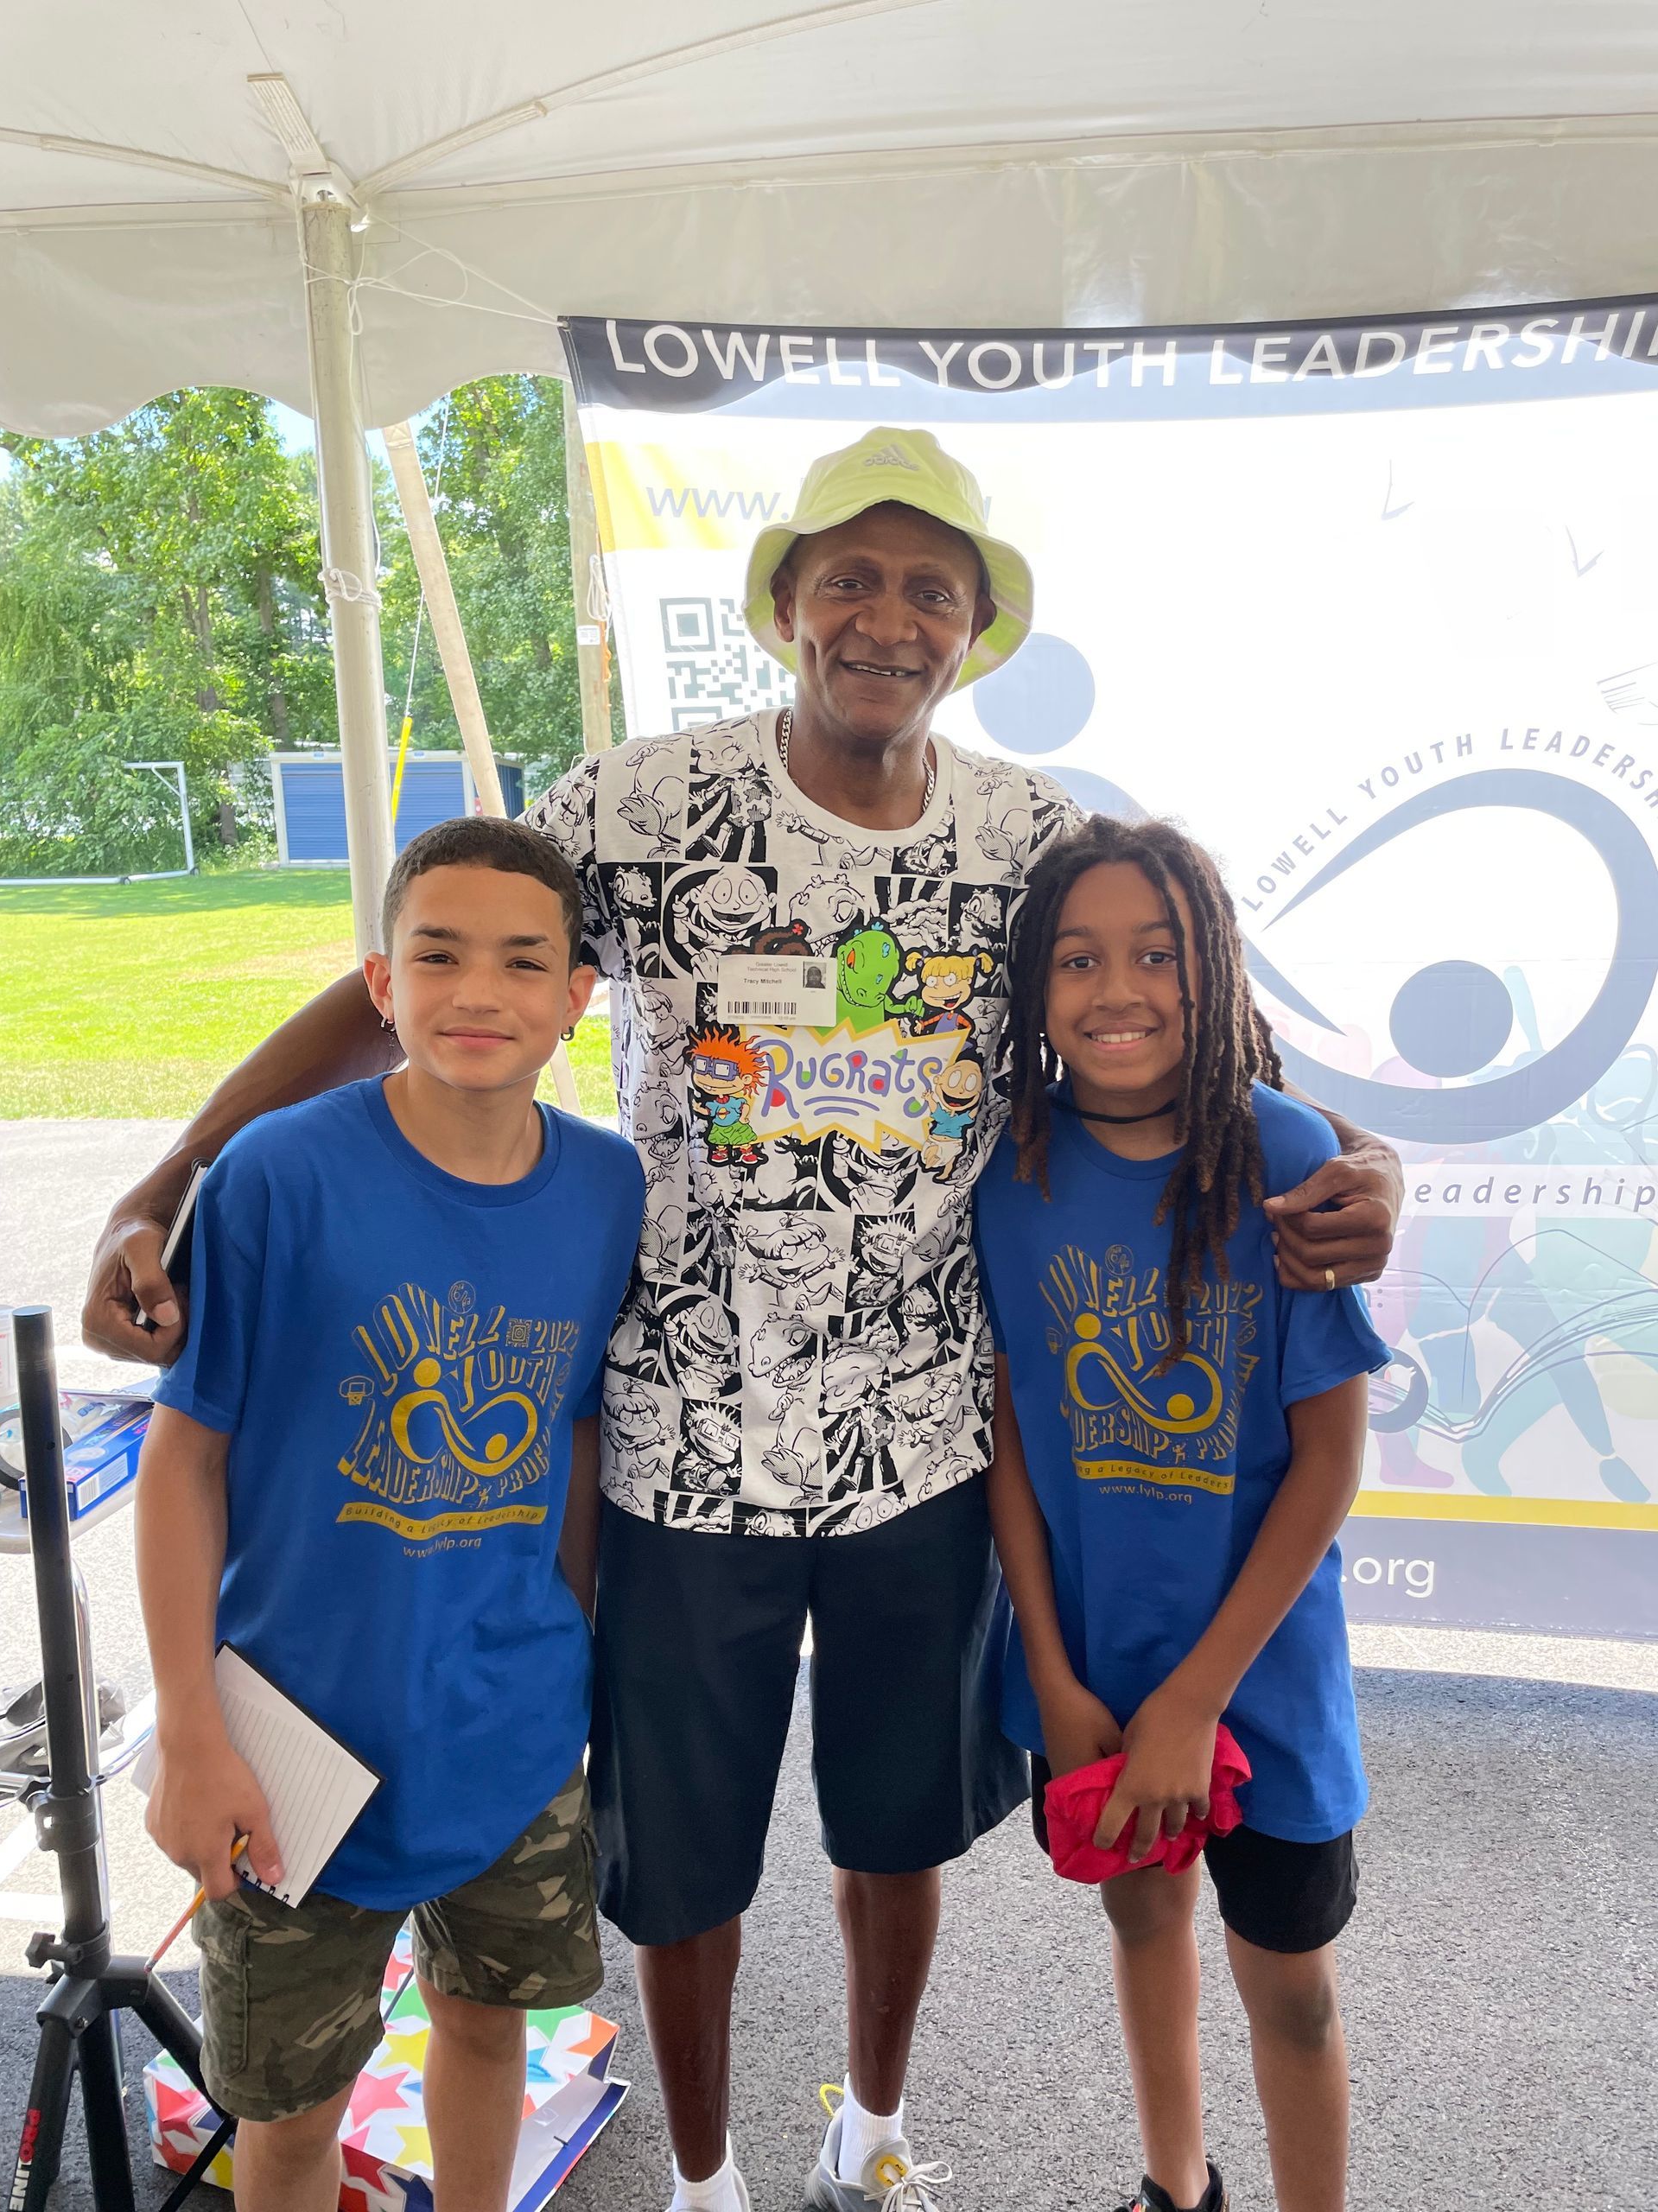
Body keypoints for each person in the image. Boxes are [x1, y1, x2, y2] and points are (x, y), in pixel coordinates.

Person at [86, 426, 1403, 2212]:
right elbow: (405, 972)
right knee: (678, 1862)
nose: (886, 617)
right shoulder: (636, 804)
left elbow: (1170, 981)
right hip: (681, 1436)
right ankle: (703, 2173)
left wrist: (1363, 1150)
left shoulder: (1028, 835)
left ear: (974, 630)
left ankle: (867, 2125)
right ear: (787, 604)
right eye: (849, 579)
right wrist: (169, 1174)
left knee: (894, 1831)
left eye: (929, 589)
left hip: (923, 1442)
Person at [133, 817, 644, 2212]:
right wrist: (190, 1728)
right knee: (287, 2115)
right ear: (380, 983)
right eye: (439, 954)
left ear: (576, 1000)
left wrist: (577, 1657)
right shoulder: (278, 1176)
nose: (479, 992)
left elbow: (583, 1432)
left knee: (487, 2027)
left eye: (524, 962)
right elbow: (182, 1461)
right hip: (291, 1740)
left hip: (513, 1724)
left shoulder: (609, 1188)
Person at [975, 814, 1390, 2212]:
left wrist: (1199, 1700)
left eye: (1156, 954)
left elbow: (1329, 1461)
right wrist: (1048, 1669)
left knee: (1295, 1996)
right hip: (1091, 1676)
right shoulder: (1012, 1170)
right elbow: (1017, 1441)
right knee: (1142, 1923)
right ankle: (1174, 2188)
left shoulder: (1283, 1150)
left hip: (1260, 1688)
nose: (1119, 990)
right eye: (1080, 958)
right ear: (1035, 986)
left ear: (1210, 970)